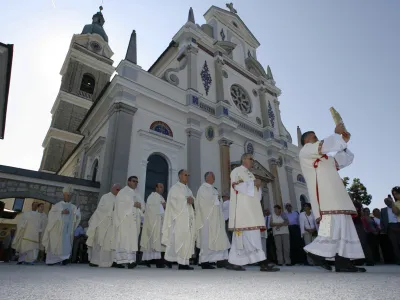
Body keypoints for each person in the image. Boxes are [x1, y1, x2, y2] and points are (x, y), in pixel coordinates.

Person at [299, 123, 366, 272]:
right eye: (314, 137)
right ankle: (317, 252)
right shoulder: (305, 151)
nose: (317, 139)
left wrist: (343, 143)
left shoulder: (326, 158)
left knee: (342, 227)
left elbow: (343, 160)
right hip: (326, 196)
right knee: (332, 226)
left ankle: (342, 260)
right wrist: (336, 135)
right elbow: (324, 145)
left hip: (337, 196)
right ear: (306, 141)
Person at [228, 153, 279, 272]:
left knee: (240, 238)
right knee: (252, 235)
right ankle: (262, 262)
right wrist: (253, 184)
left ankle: (235, 261)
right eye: (251, 159)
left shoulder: (251, 174)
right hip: (244, 209)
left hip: (252, 208)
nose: (253, 161)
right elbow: (236, 186)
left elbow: (258, 196)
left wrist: (257, 186)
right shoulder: (237, 171)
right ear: (244, 159)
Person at [195, 172, 230, 269]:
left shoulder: (214, 189)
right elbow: (203, 203)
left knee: (219, 238)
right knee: (208, 240)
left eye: (214, 176)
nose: (214, 178)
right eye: (212, 176)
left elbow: (219, 203)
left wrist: (218, 199)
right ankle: (205, 261)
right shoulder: (203, 189)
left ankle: (220, 260)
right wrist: (215, 198)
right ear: (207, 178)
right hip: (207, 220)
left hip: (217, 219)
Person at [162, 169, 196, 270]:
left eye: (188, 175)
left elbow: (193, 199)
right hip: (179, 219)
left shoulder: (188, 189)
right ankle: (179, 262)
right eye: (185, 175)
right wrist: (185, 200)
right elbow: (172, 203)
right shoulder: (175, 188)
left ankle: (185, 262)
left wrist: (192, 200)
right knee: (179, 240)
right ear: (180, 176)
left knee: (186, 240)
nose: (187, 177)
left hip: (188, 218)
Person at [42, 186, 81, 265]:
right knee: (55, 244)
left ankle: (64, 259)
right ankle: (52, 260)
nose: (68, 197)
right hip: (57, 229)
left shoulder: (73, 207)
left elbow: (77, 217)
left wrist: (77, 214)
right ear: (64, 195)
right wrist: (61, 212)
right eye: (67, 195)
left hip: (67, 230)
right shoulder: (57, 206)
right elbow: (51, 215)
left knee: (66, 244)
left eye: (70, 195)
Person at [113, 176, 144, 269]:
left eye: (137, 182)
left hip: (135, 221)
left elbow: (143, 206)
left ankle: (131, 260)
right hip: (125, 221)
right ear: (128, 182)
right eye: (134, 181)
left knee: (132, 241)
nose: (135, 183)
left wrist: (140, 207)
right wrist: (132, 204)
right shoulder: (123, 192)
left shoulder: (137, 194)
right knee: (124, 240)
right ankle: (119, 261)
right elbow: (119, 205)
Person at [86, 184, 120, 267]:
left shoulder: (119, 199)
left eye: (119, 190)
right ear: (113, 188)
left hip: (113, 225)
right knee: (100, 242)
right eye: (117, 189)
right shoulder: (106, 197)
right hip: (103, 223)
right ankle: (95, 261)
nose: (118, 191)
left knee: (111, 243)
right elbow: (100, 209)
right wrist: (110, 210)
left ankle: (111, 262)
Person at [140, 183, 167, 268]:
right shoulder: (152, 196)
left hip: (160, 223)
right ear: (156, 188)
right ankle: (151, 261)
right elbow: (151, 208)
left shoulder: (161, 197)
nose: (162, 189)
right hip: (153, 223)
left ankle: (159, 261)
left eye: (163, 187)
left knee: (159, 243)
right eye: (160, 187)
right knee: (153, 242)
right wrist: (162, 206)